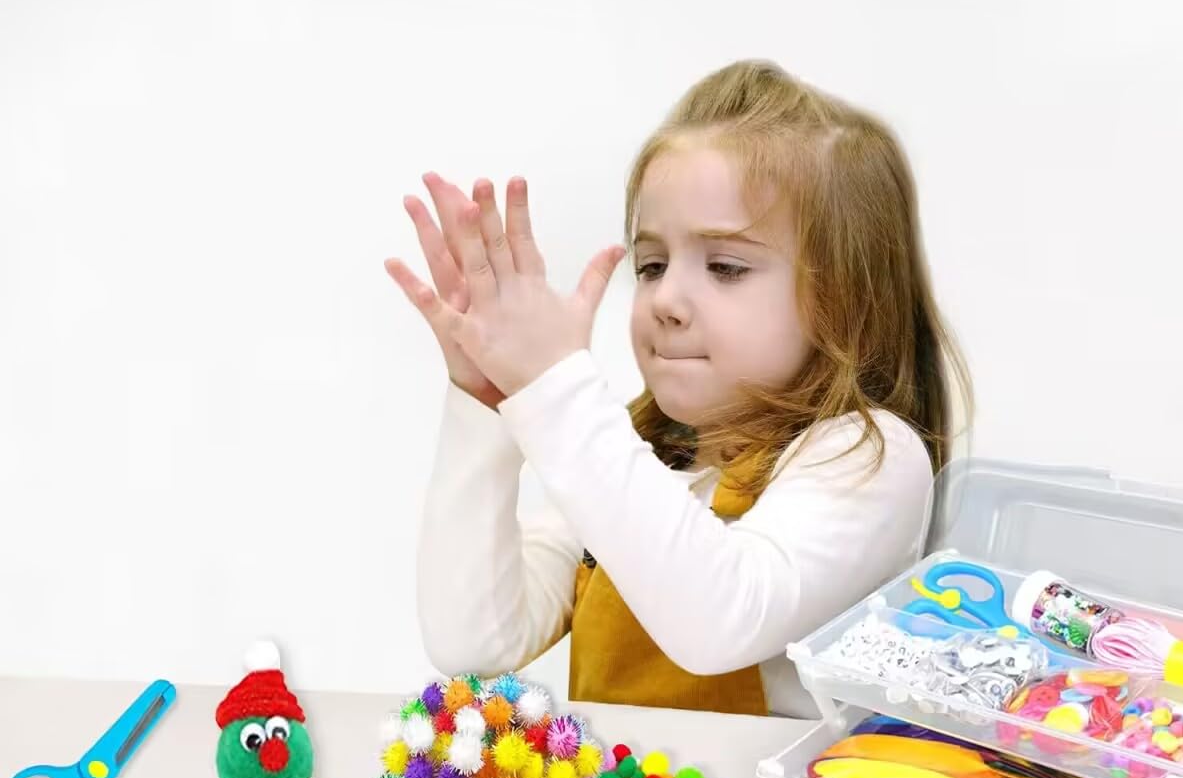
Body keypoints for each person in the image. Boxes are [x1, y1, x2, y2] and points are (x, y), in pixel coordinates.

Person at [386, 59, 970, 718]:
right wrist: (488, 403)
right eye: (652, 264)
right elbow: (474, 644)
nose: (665, 299)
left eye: (725, 267)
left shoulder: (869, 455)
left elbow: (722, 618)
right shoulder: (646, 465)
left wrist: (556, 390)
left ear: (844, 301)